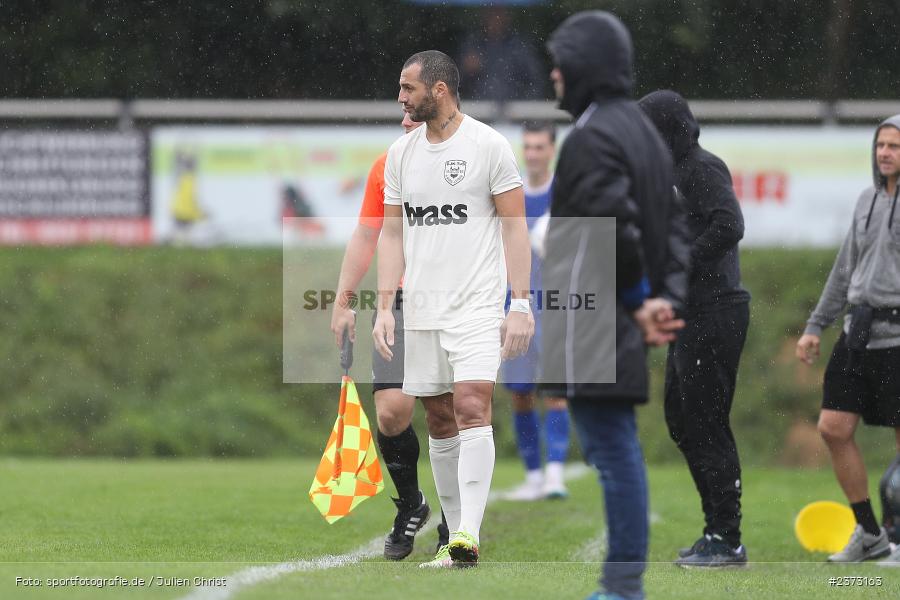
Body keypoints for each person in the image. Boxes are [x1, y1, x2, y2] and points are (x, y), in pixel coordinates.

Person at [544, 11, 688, 600]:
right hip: (613, 312)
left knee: (611, 448)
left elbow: (612, 225)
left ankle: (623, 585)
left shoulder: (594, 133)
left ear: (583, 65)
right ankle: (623, 582)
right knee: (611, 444)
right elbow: (675, 226)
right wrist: (663, 300)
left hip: (595, 318)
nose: (553, 73)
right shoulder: (640, 130)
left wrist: (635, 301)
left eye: (561, 60)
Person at [374, 50, 534, 568]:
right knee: (439, 418)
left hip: (476, 306)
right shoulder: (401, 154)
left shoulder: (489, 146)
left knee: (471, 406)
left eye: (408, 88)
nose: (401, 98)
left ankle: (467, 534)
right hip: (421, 308)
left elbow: (515, 227)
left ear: (439, 89)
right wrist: (383, 308)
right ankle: (451, 538)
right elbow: (391, 232)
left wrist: (521, 303)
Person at [639, 90, 752, 567]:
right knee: (683, 423)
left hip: (716, 311)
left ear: (668, 129)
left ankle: (727, 538)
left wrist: (677, 266)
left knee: (706, 424)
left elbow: (730, 225)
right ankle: (716, 530)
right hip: (692, 313)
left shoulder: (701, 168)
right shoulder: (671, 173)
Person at [330, 113, 449, 561]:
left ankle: (456, 519)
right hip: (398, 304)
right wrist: (343, 302)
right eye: (400, 110)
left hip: (449, 300)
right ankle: (411, 505)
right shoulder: (385, 167)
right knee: (391, 413)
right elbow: (366, 236)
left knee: (444, 413)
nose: (404, 119)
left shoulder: (466, 163)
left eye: (412, 109)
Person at [796, 114, 900, 566]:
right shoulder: (865, 200)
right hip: (857, 333)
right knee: (833, 428)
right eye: (881, 145)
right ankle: (871, 533)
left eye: (894, 146)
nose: (885, 153)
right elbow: (844, 271)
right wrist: (815, 325)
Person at [502, 121, 570, 502]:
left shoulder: (564, 192)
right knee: (521, 393)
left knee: (555, 390)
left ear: (552, 149)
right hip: (515, 303)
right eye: (527, 146)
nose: (532, 154)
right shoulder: (510, 191)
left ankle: (555, 475)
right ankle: (532, 476)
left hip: (556, 304)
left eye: (539, 147)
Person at [457, 6, 546, 101]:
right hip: (479, 109)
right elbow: (455, 84)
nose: (495, 18)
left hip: (515, 111)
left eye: (499, 14)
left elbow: (536, 81)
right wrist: (466, 71)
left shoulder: (520, 46)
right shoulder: (473, 45)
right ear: (484, 17)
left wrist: (523, 106)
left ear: (508, 17)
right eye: (491, 14)